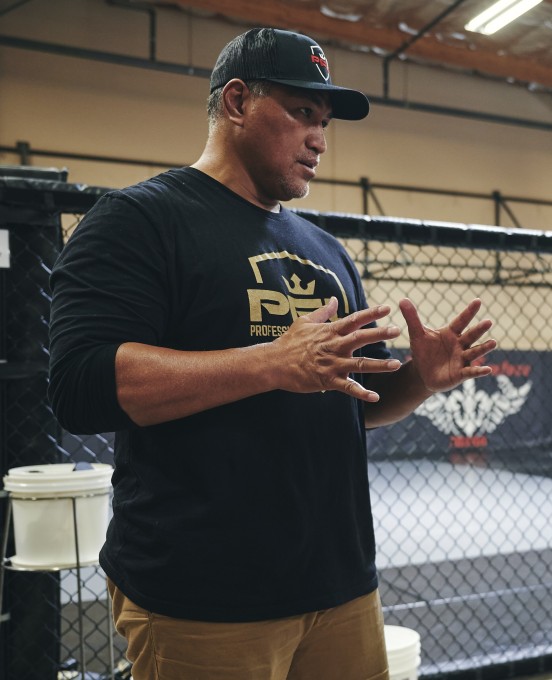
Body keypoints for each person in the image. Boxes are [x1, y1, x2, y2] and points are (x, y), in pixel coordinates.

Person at [48, 27, 496, 680]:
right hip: (202, 596)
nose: (320, 137)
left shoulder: (327, 251)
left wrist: (418, 382)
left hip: (341, 587)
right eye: (301, 113)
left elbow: (354, 403)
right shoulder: (138, 221)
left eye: (325, 122)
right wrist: (269, 363)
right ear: (236, 102)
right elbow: (80, 387)